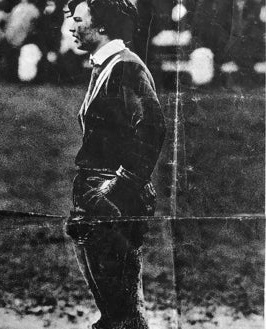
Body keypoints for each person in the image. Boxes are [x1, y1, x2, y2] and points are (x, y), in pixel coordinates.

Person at [65, 1, 165, 328]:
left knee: (122, 316)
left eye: (78, 20)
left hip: (111, 203)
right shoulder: (107, 65)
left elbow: (152, 127)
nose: (71, 27)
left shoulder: (125, 66)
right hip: (96, 199)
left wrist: (119, 187)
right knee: (114, 313)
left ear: (103, 26)